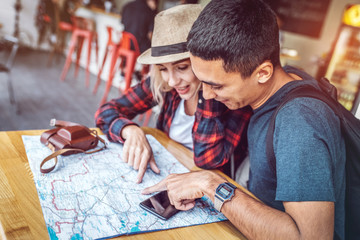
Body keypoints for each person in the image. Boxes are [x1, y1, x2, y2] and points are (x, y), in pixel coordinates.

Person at [142, 0, 346, 239]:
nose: (206, 95)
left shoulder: (299, 122)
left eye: (215, 85)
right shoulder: (286, 79)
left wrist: (211, 184)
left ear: (263, 73)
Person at [95, 4, 252, 184]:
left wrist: (205, 89)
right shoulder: (166, 84)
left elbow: (207, 160)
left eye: (182, 67)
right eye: (163, 69)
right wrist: (130, 130)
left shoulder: (232, 98)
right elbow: (105, 112)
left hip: (209, 187)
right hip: (166, 174)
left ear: (203, 60)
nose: (171, 81)